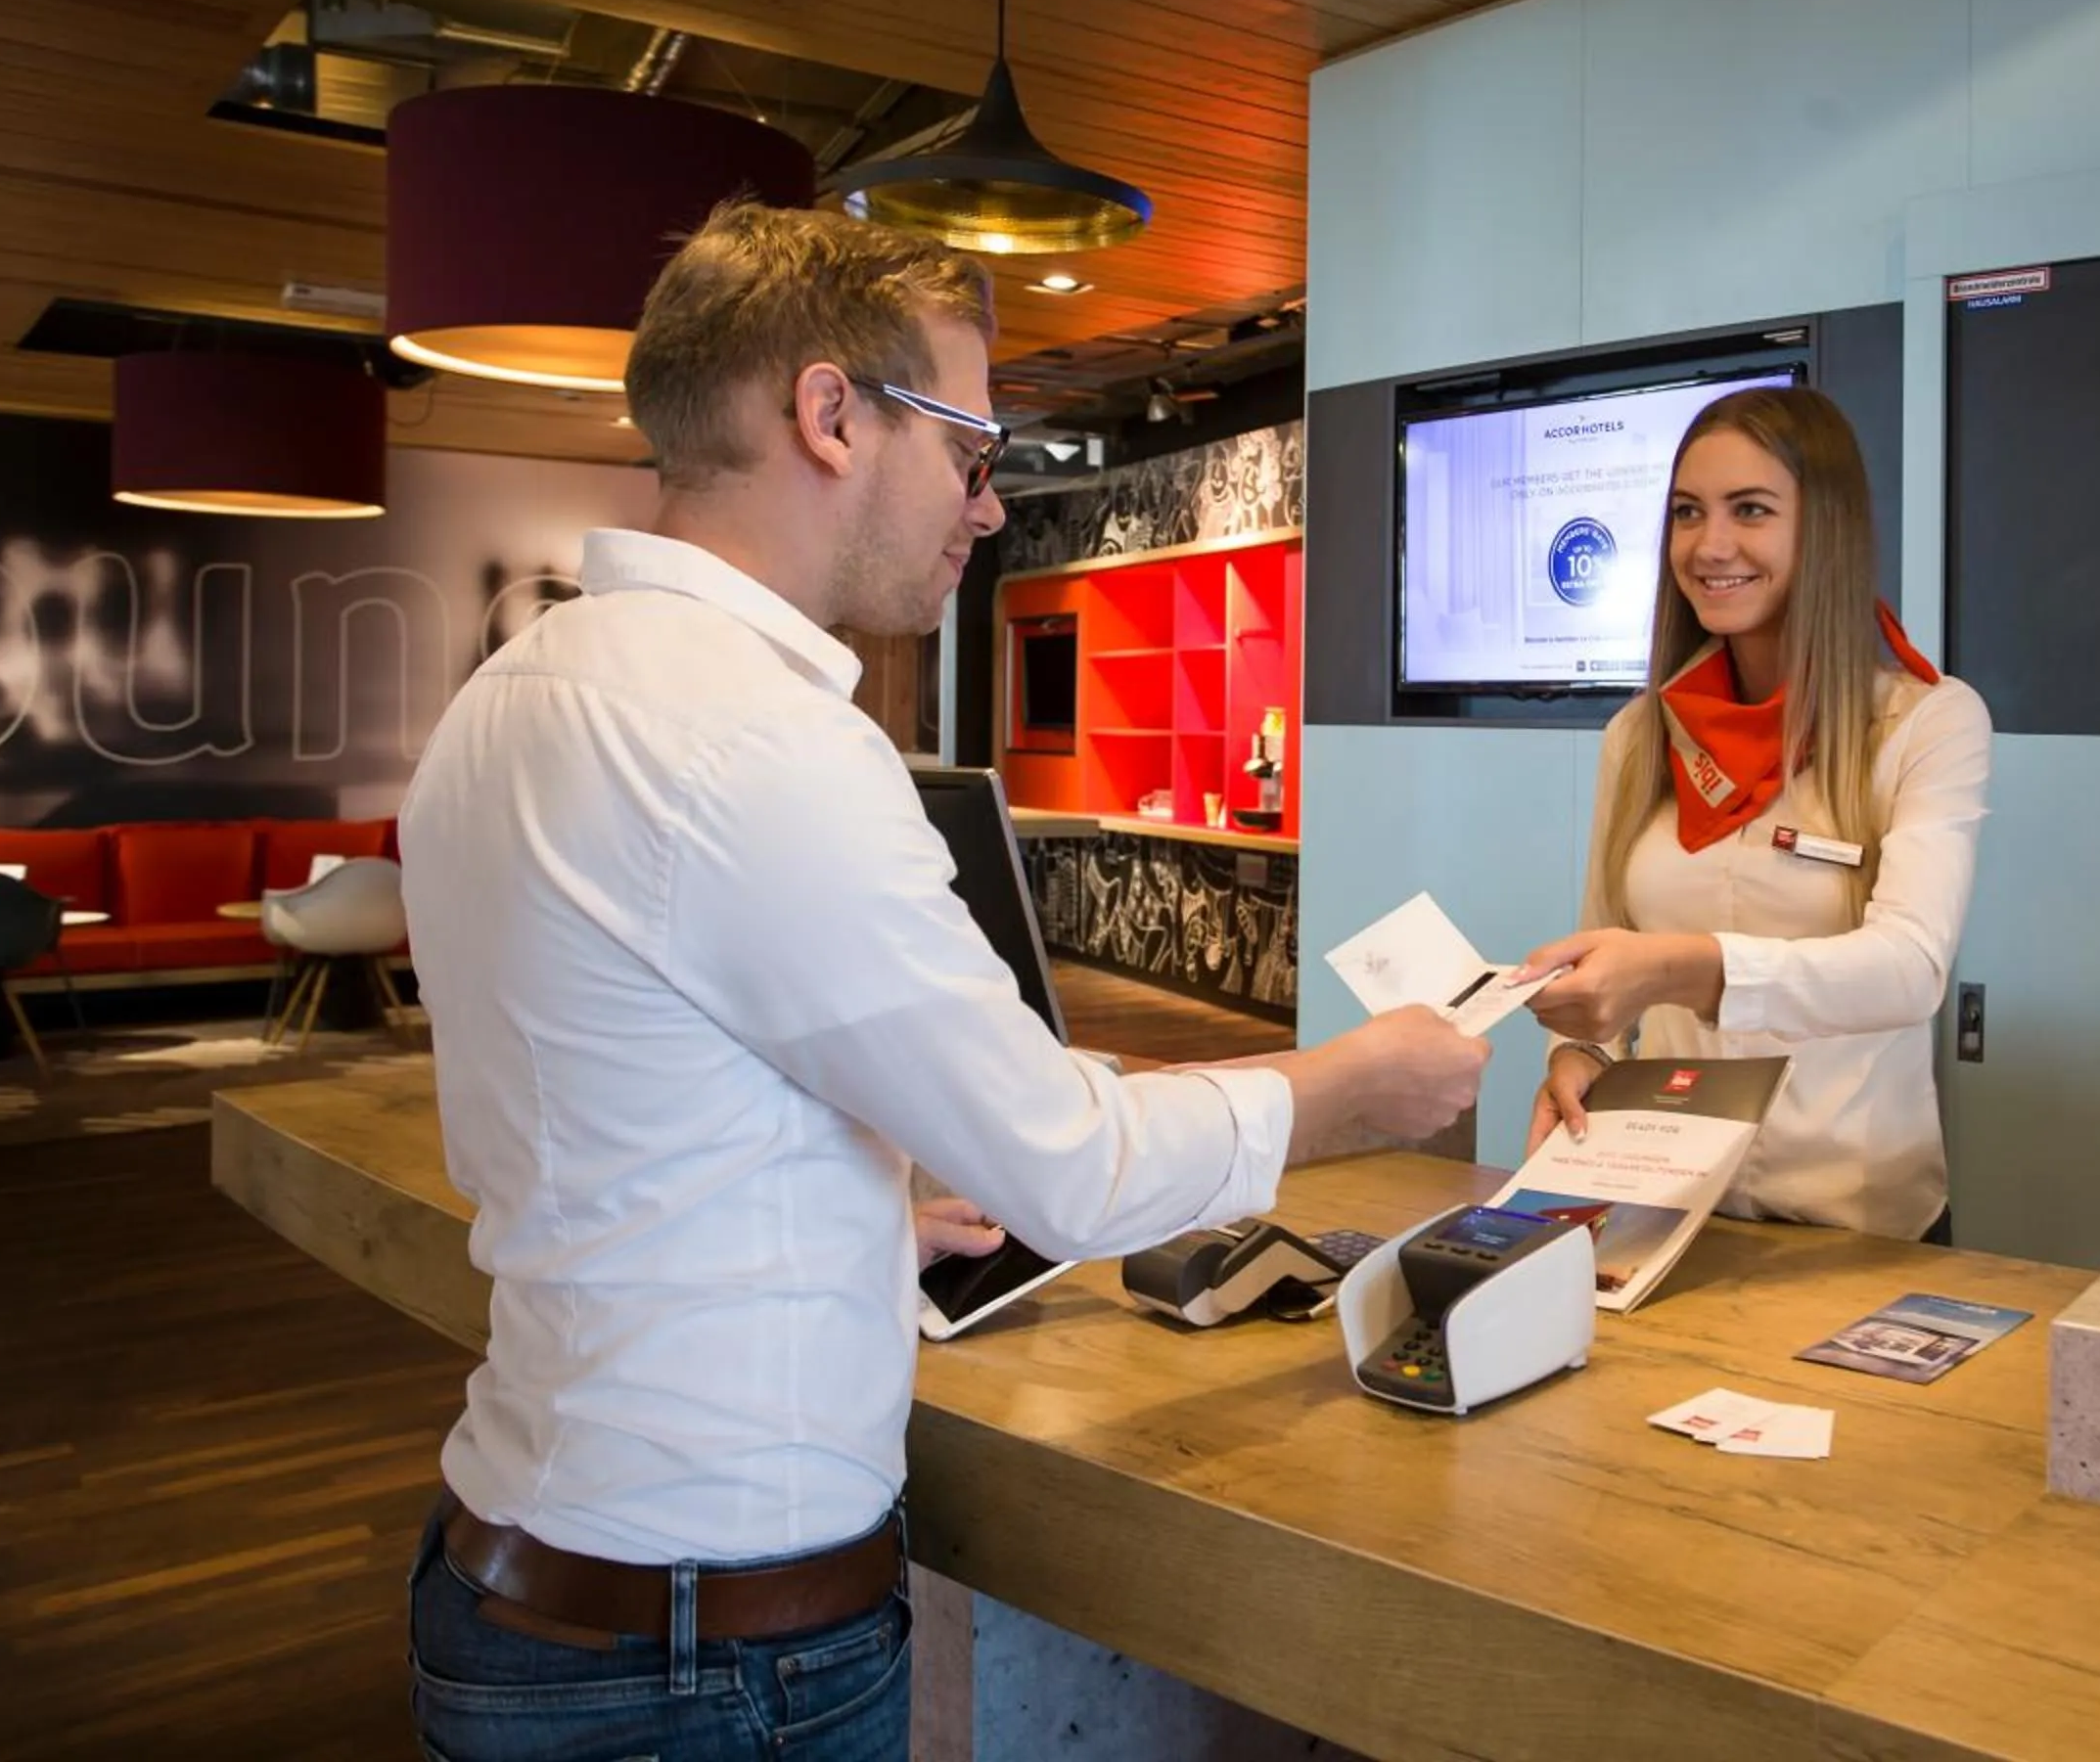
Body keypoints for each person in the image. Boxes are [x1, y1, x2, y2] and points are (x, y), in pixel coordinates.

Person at [395, 200, 1487, 1762]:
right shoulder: (760, 739)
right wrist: (1356, 1086)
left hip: (520, 1576)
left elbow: (614, 1117)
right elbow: (1076, 1164)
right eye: (973, 452)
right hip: (707, 1655)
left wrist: (842, 1213)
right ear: (831, 414)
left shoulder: (510, 701)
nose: (989, 510)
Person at [1517, 384, 1990, 1243]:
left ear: (1826, 528)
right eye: (1688, 513)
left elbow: (1909, 969)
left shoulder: (1926, 721)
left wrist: (1670, 969)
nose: (1711, 545)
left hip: (1857, 1225)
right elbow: (1605, 956)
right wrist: (1578, 1054)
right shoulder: (1639, 736)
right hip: (1661, 1207)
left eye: (1752, 510)